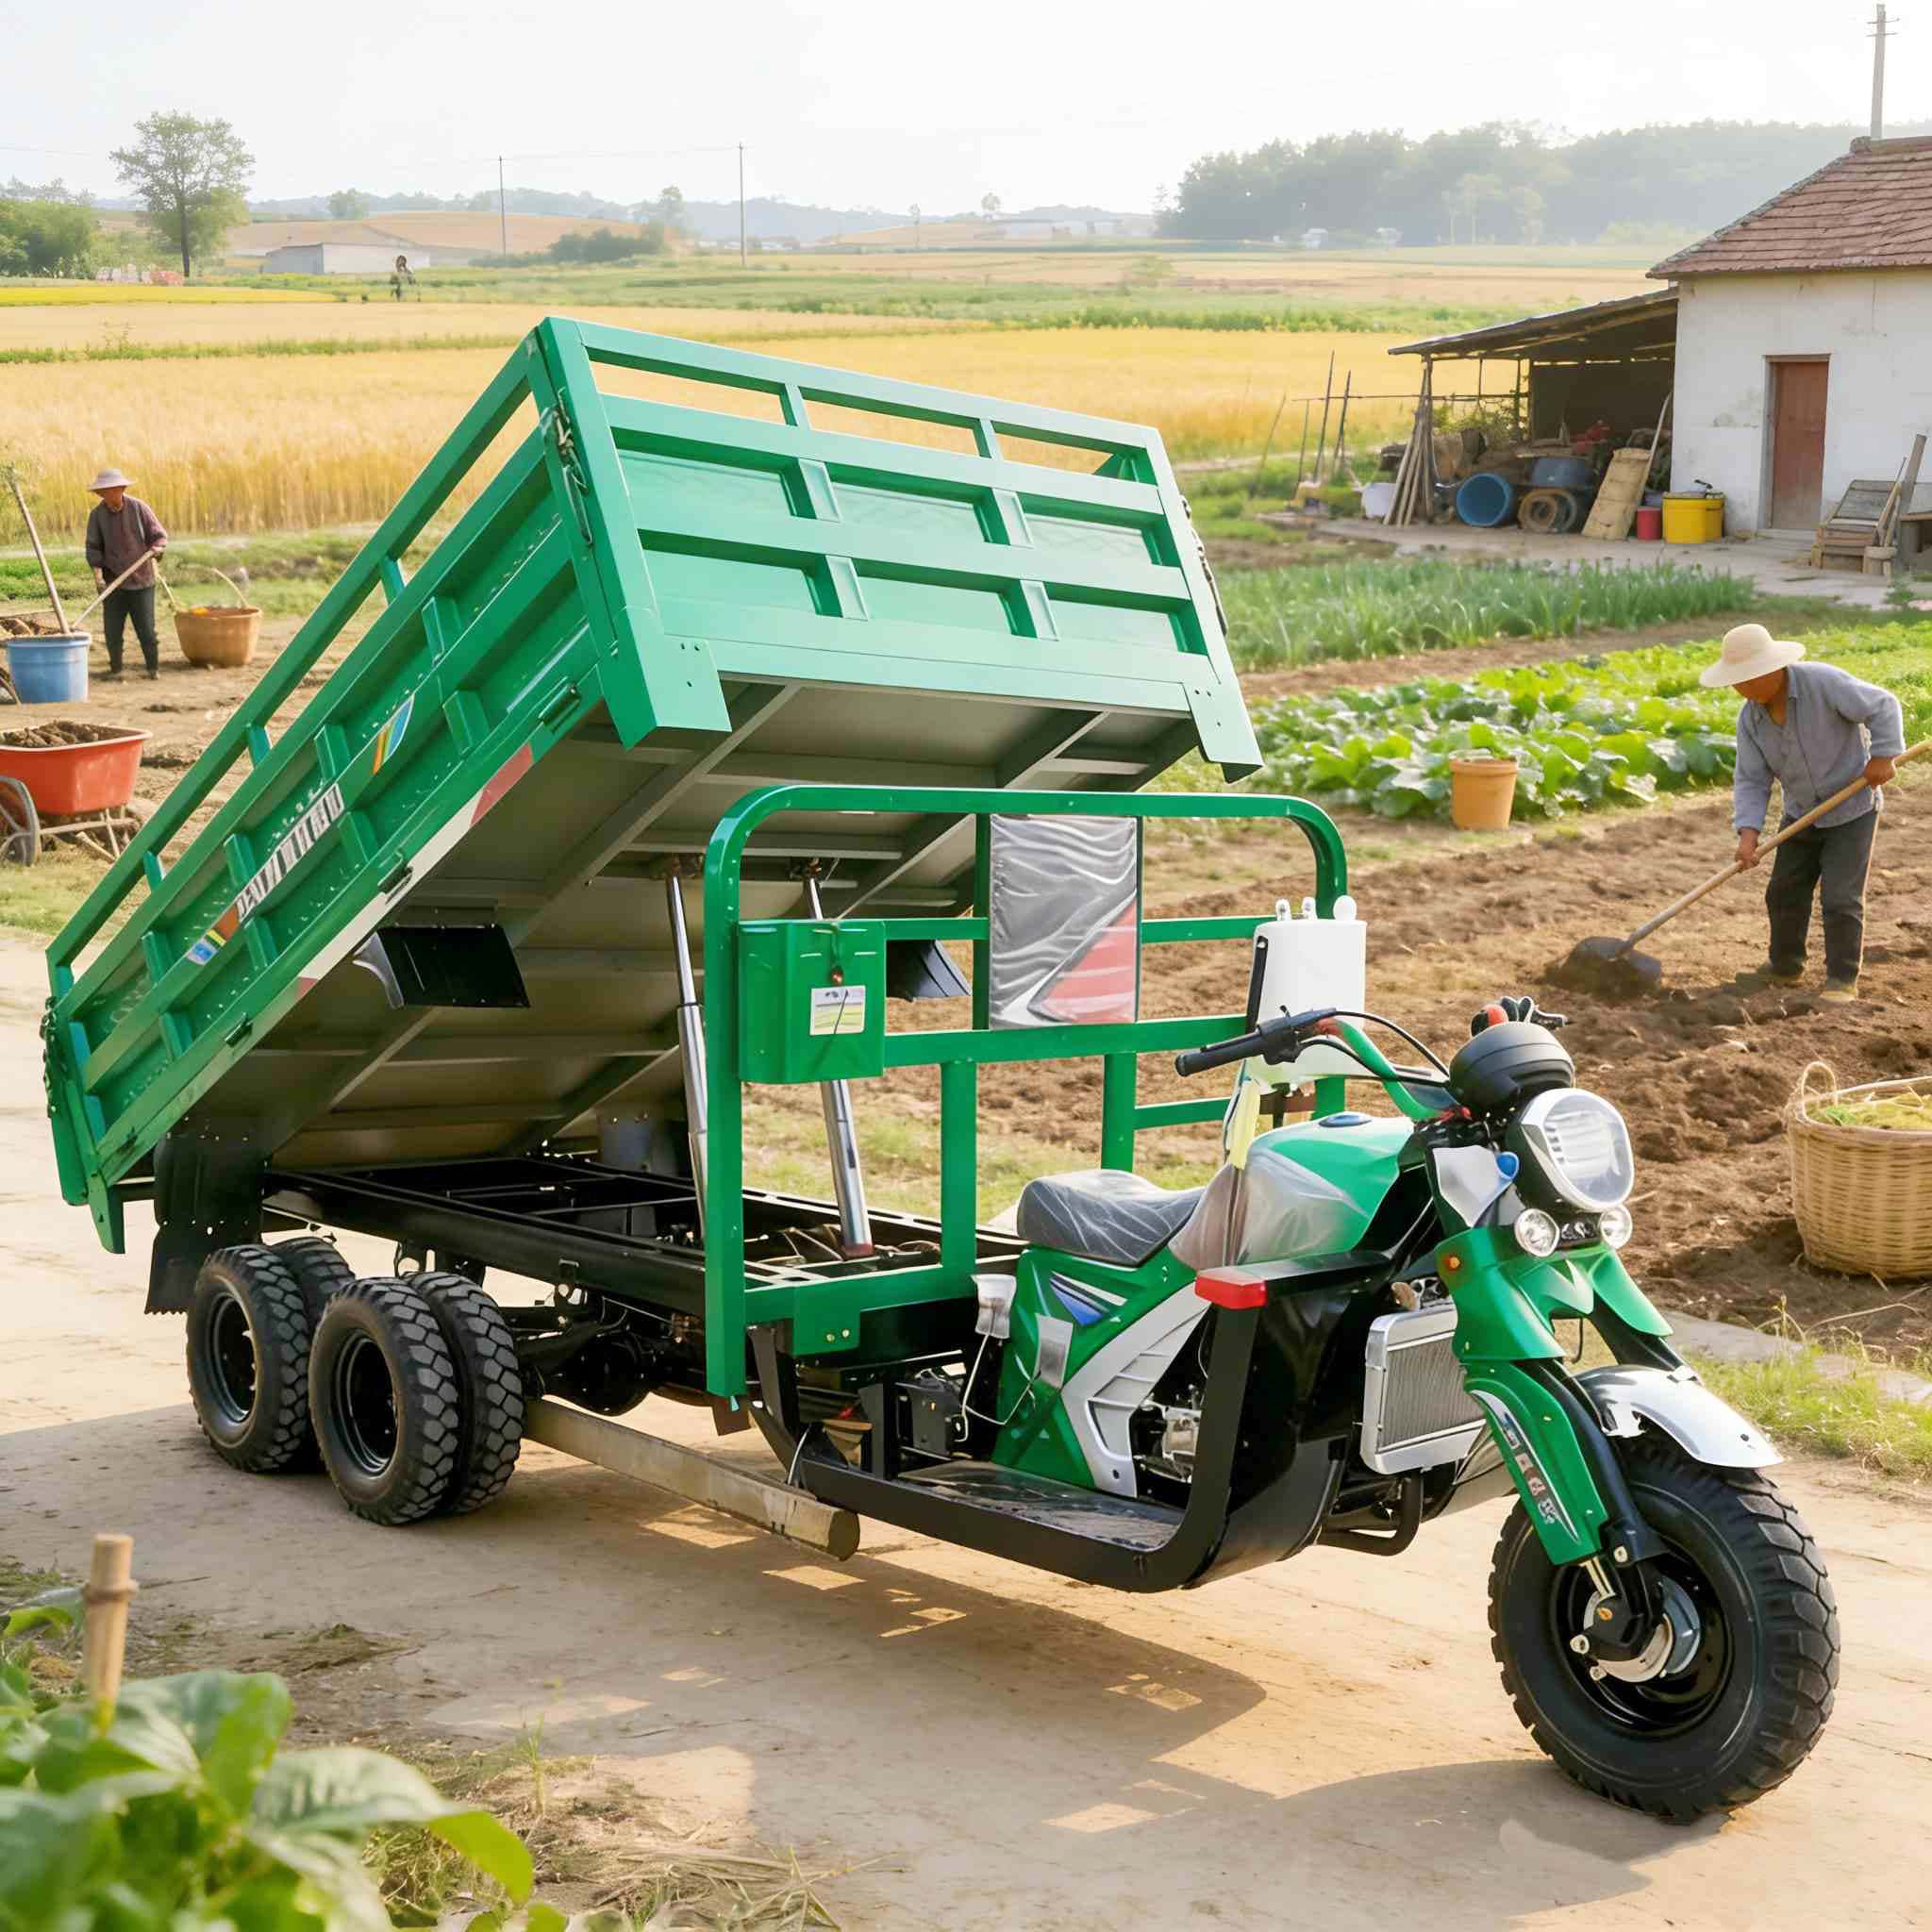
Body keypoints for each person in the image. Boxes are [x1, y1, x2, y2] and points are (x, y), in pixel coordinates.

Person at [1701, 622, 1905, 1004]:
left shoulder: (1823, 684)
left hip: (1852, 808)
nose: (1740, 689)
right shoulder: (1751, 719)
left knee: (1841, 897)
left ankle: (1842, 979)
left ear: (1769, 670)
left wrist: (1882, 755)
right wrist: (1748, 833)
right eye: (1735, 682)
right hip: (1800, 813)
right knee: (1783, 891)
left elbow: (1883, 705)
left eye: (1745, 679)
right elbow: (1751, 779)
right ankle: (1786, 966)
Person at [83, 468, 167, 680]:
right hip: (113, 583)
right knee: (112, 631)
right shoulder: (97, 516)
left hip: (142, 581)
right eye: (103, 492)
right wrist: (99, 578)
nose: (108, 496)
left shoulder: (139, 509)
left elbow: (159, 536)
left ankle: (152, 669)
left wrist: (157, 548)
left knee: (146, 630)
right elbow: (94, 550)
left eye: (112, 491)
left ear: (121, 489)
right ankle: (117, 671)